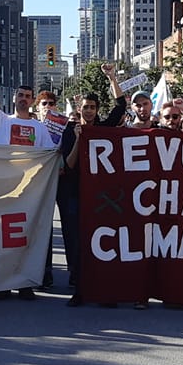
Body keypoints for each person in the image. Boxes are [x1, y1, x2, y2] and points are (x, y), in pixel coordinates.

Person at [60, 66, 127, 307]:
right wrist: (79, 139)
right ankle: (79, 288)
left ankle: (105, 289)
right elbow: (68, 164)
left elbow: (121, 106)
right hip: (77, 193)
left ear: (97, 110)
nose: (88, 111)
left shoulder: (103, 128)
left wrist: (111, 77)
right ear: (79, 109)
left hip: (102, 196)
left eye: (92, 107)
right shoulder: (71, 131)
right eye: (85, 107)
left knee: (103, 240)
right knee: (77, 242)